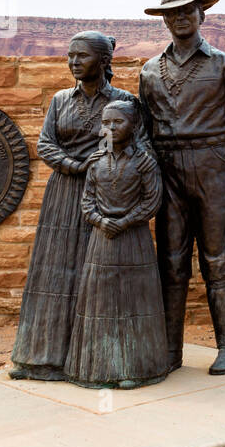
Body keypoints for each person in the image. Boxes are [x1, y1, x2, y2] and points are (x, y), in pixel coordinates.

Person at [138, 0, 225, 376]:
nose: (180, 17)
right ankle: (171, 350)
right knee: (169, 262)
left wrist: (209, 152)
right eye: (172, 12)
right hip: (167, 171)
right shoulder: (149, 70)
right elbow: (146, 127)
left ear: (201, 12)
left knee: (218, 259)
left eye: (187, 9)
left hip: (211, 168)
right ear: (164, 19)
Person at [9, 32, 142, 381]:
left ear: (103, 61)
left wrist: (100, 170)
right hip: (62, 195)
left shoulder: (125, 101)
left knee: (98, 276)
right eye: (70, 56)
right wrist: (75, 166)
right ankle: (42, 358)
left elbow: (139, 150)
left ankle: (101, 363)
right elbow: (45, 143)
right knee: (53, 274)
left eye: (81, 56)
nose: (73, 62)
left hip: (105, 195)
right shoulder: (59, 100)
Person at [65, 101, 168, 389]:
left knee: (133, 302)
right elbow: (87, 201)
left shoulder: (145, 162)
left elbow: (152, 201)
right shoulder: (96, 161)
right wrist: (100, 220)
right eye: (106, 123)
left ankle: (136, 368)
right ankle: (96, 368)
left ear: (133, 126)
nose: (110, 128)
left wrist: (124, 222)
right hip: (102, 242)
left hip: (134, 241)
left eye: (117, 122)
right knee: (101, 301)